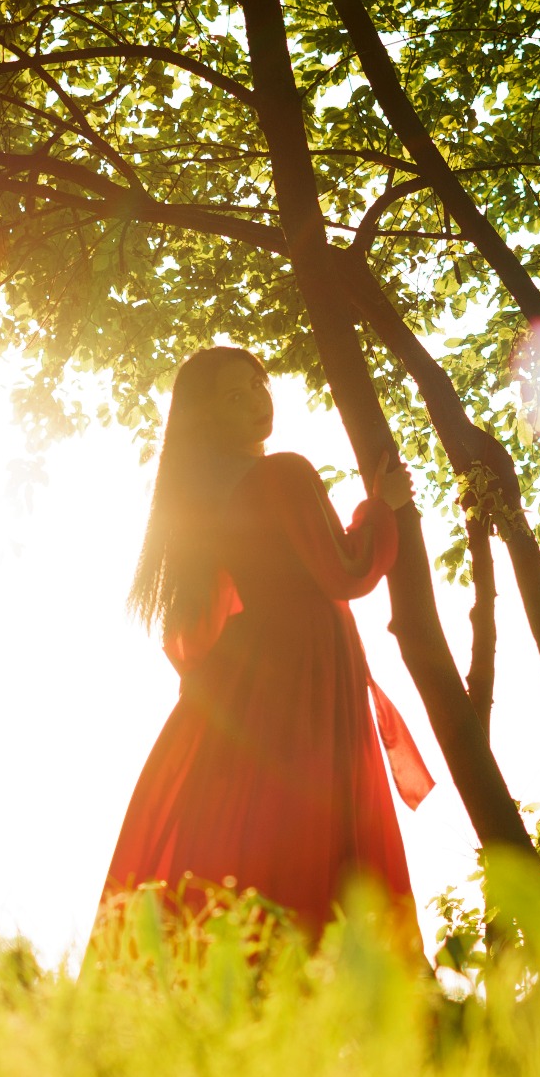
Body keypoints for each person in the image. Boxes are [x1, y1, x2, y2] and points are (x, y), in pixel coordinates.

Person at [98, 345, 433, 946]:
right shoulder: (283, 472)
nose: (257, 399)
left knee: (245, 827)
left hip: (249, 672)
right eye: (235, 395)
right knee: (319, 823)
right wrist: (383, 509)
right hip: (308, 660)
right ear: (206, 417)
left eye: (259, 384)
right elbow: (346, 570)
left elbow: (191, 632)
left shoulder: (201, 503)